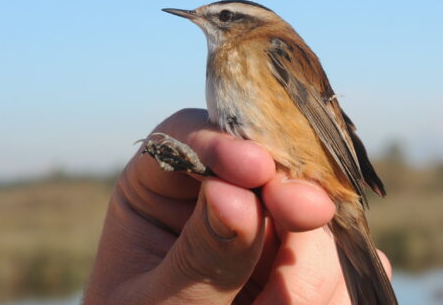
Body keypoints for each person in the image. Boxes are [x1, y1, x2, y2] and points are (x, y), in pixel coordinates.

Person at [82, 109, 392, 305]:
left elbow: (323, 117)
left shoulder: (270, 46)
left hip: (318, 167)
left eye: (226, 17)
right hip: (280, 183)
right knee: (245, 174)